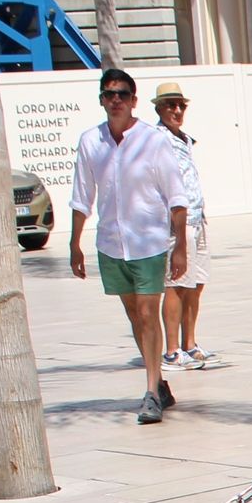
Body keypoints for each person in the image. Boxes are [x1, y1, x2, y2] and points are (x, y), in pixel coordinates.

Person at [69, 66, 192, 425]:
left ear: (134, 100)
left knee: (146, 314)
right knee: (135, 319)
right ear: (102, 101)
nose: (116, 100)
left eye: (123, 93)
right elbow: (81, 197)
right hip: (111, 244)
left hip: (149, 242)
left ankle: (151, 393)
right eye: (109, 94)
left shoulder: (153, 141)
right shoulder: (91, 141)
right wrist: (75, 245)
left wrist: (180, 246)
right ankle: (160, 382)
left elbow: (176, 197)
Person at [152, 84, 214, 370]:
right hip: (178, 222)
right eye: (170, 105)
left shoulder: (184, 139)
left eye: (181, 106)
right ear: (158, 108)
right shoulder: (157, 139)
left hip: (197, 219)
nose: (177, 111)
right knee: (176, 284)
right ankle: (172, 350)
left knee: (196, 284)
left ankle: (190, 344)